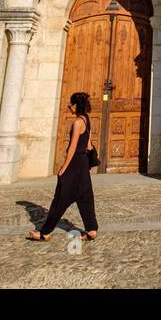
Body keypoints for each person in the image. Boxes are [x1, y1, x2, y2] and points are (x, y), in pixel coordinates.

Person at [28, 93, 99, 242]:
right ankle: (92, 229)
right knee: (85, 197)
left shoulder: (77, 123)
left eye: (70, 104)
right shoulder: (87, 120)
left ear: (76, 105)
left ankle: (45, 232)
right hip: (83, 163)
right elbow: (88, 145)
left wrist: (64, 167)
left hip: (74, 163)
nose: (69, 107)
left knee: (60, 199)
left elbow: (72, 147)